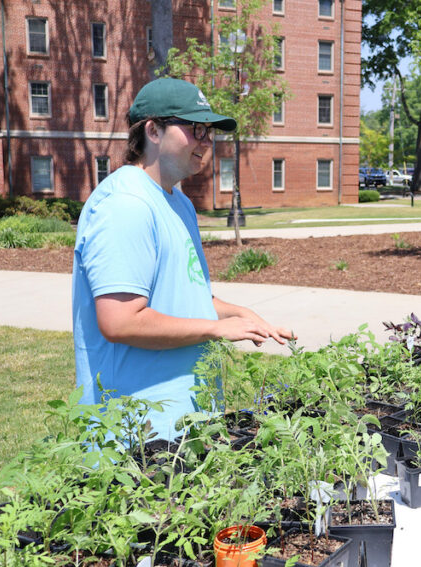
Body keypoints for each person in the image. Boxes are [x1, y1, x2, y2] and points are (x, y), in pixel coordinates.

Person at [72, 77, 295, 438]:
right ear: (153, 131)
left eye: (209, 131)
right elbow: (121, 321)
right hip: (135, 434)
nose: (206, 141)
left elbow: (188, 295)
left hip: (186, 425)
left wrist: (238, 314)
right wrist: (215, 329)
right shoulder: (125, 204)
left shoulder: (179, 203)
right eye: (195, 129)